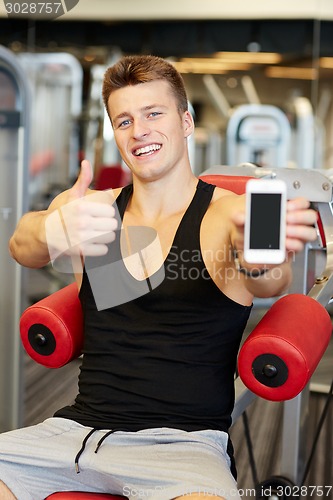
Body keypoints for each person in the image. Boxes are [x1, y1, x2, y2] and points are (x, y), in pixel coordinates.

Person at [2, 55, 317, 500]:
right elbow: (21, 245)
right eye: (125, 120)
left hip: (181, 447)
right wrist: (54, 229)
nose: (140, 130)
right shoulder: (93, 210)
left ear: (185, 122)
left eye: (154, 113)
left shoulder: (227, 214)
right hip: (74, 432)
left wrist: (258, 258)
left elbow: (269, 280)